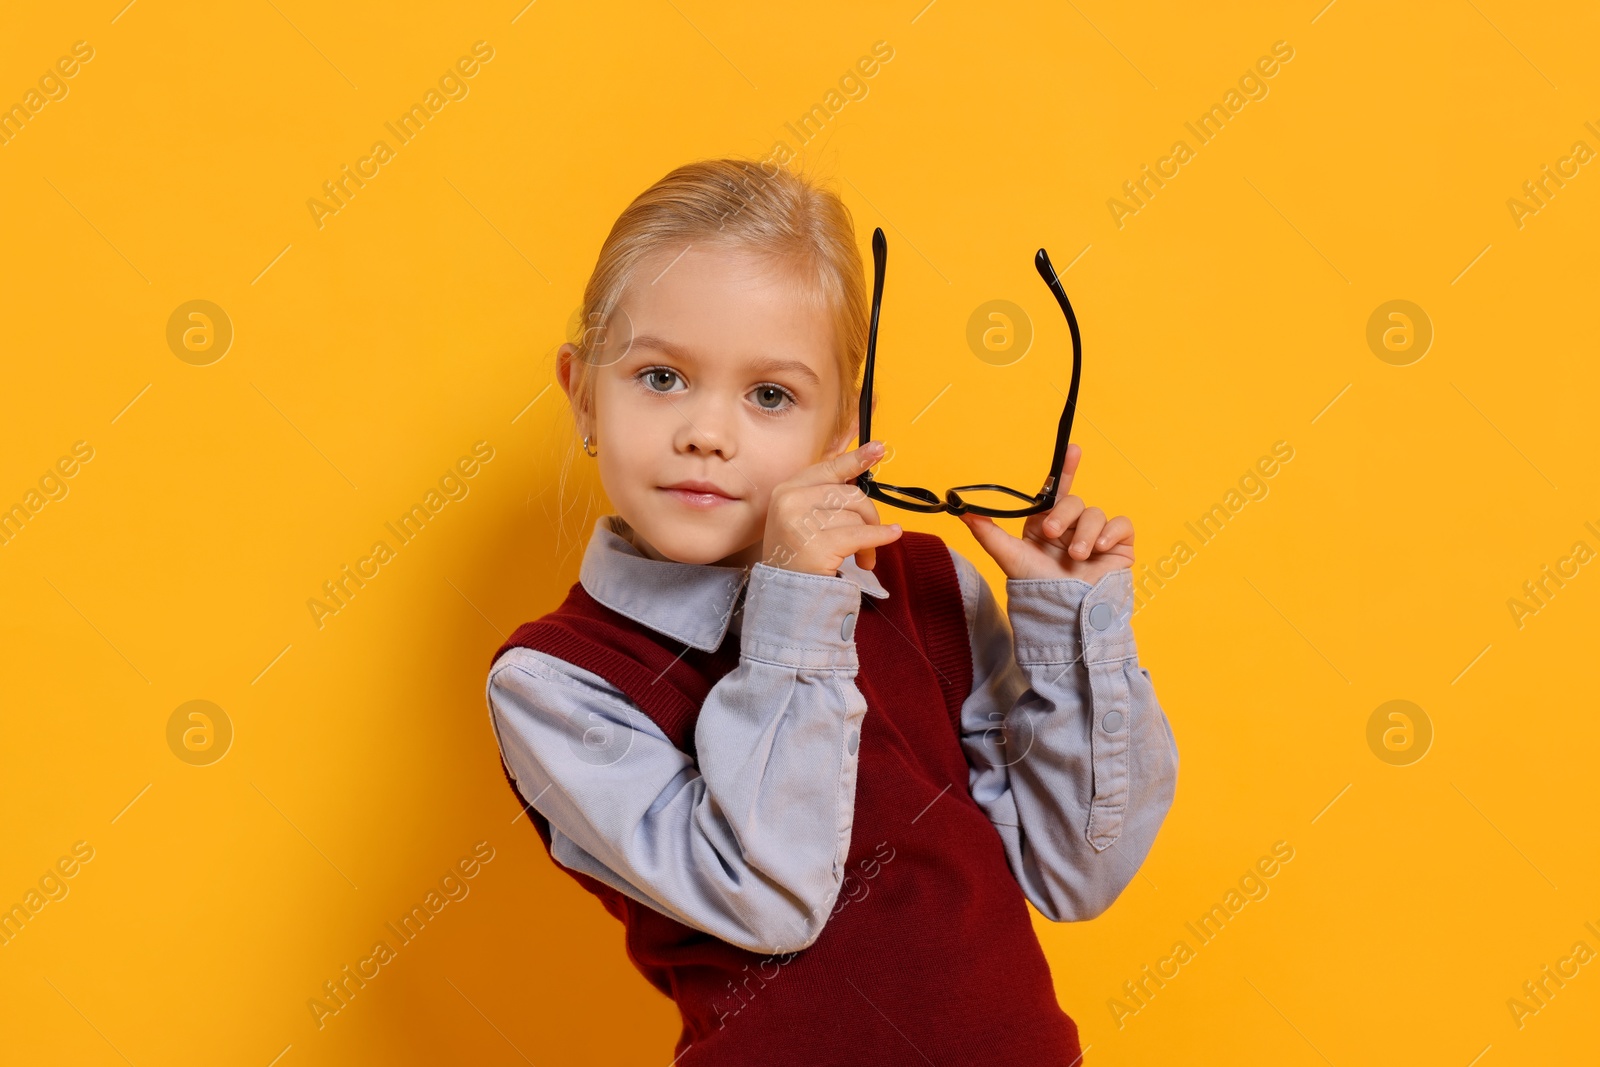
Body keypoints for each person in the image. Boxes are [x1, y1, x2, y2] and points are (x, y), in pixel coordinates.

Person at [483, 157, 1179, 1066]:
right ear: (583, 393)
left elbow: (1073, 868)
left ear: (840, 429)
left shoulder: (923, 588)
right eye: (661, 377)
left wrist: (1068, 626)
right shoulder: (557, 680)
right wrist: (794, 612)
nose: (708, 432)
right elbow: (772, 898)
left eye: (770, 395)